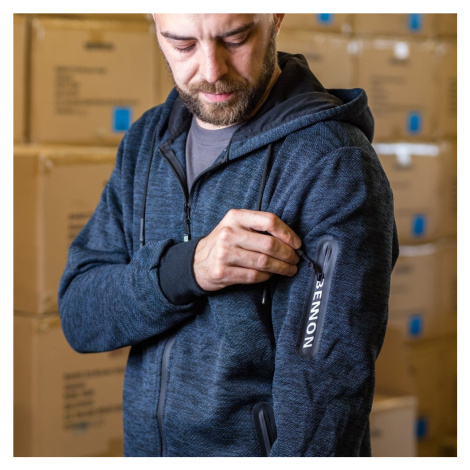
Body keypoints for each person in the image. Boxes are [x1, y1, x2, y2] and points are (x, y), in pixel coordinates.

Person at [58, 13, 399, 457]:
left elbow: (325, 408)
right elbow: (80, 317)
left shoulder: (332, 165)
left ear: (276, 16)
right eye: (183, 45)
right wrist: (187, 269)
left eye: (235, 39)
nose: (212, 70)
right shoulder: (146, 142)